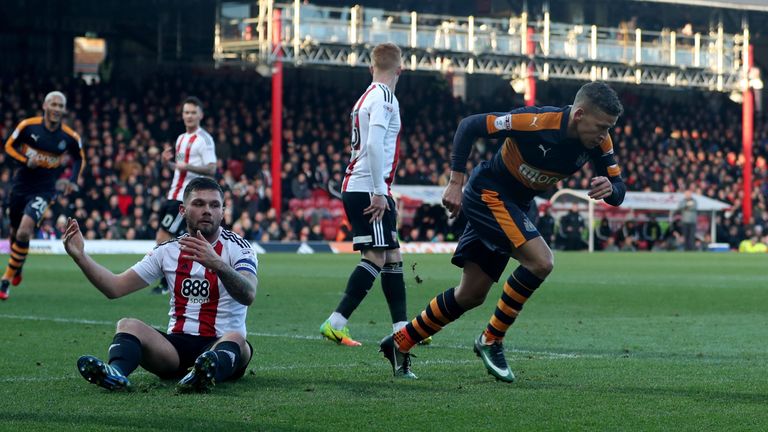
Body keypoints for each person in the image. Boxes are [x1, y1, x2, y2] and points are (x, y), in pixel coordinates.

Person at [379, 81, 626, 382]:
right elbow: (469, 126)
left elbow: (619, 190)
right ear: (579, 114)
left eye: (609, 127)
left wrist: (611, 188)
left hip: (516, 205)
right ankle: (491, 339)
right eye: (601, 126)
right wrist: (456, 182)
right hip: (489, 193)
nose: (605, 134)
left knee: (470, 295)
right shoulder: (534, 122)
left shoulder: (600, 143)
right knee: (541, 262)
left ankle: (401, 341)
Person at [64, 177, 258, 392]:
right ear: (182, 210)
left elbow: (248, 293)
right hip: (174, 350)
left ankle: (203, 373)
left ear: (223, 211)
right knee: (127, 325)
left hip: (222, 342)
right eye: (199, 204)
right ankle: (115, 373)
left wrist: (218, 264)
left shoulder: (239, 248)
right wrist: (81, 257)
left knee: (238, 340)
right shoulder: (167, 251)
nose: (207, 211)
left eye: (214, 205)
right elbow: (114, 287)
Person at [318, 42, 415, 350]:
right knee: (376, 256)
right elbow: (373, 146)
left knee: (392, 255)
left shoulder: (366, 97)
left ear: (371, 67)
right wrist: (378, 192)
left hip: (365, 186)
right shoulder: (386, 97)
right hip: (368, 188)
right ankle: (335, 323)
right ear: (400, 70)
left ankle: (403, 329)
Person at [0, 91, 84, 300]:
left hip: (45, 190)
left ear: (64, 110)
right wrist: (23, 160)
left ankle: (5, 280)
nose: (56, 109)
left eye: (60, 106)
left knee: (24, 231)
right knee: (14, 233)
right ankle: (17, 266)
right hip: (20, 186)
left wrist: (72, 181)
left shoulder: (69, 137)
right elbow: (8, 146)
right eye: (53, 104)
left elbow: (79, 159)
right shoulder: (28, 126)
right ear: (45, 106)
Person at [153, 96, 217, 294]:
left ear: (200, 115)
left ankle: (166, 284)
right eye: (186, 112)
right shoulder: (181, 139)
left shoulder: (204, 139)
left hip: (186, 196)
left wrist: (186, 166)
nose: (189, 116)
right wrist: (167, 163)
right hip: (173, 193)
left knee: (163, 237)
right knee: (175, 239)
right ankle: (181, 277)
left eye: (193, 112)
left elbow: (212, 168)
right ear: (182, 115)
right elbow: (178, 168)